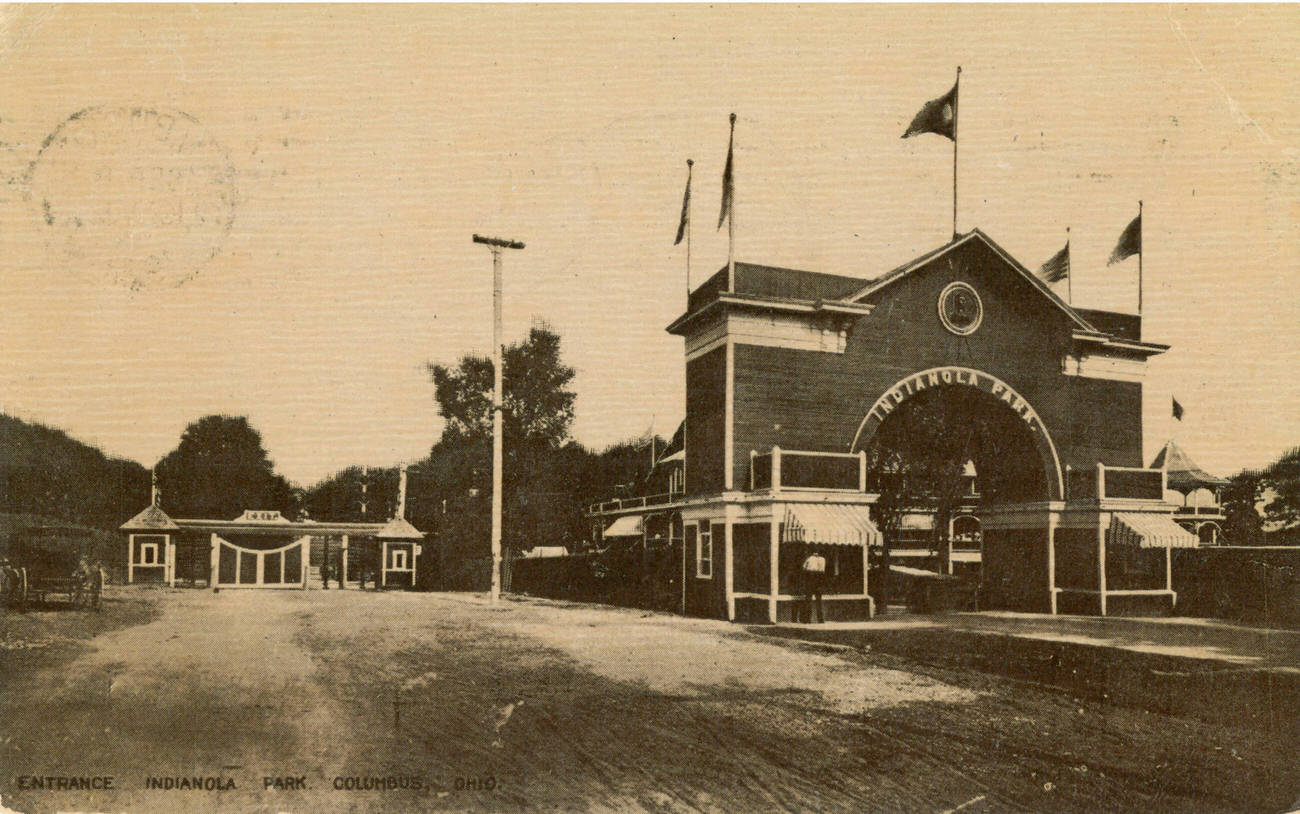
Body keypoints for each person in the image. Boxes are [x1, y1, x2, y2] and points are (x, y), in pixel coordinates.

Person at [799, 546, 827, 624]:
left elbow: (804, 568)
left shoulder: (809, 559)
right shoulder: (823, 559)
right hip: (820, 578)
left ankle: (807, 619)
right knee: (819, 600)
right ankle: (820, 619)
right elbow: (823, 570)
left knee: (808, 598)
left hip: (811, 578)